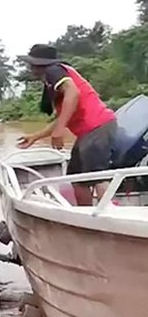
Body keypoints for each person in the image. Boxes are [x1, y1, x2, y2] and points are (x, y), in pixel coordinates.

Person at [17, 44, 117, 205]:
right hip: (88, 131)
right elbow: (63, 116)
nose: (30, 67)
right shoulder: (52, 79)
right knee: (76, 177)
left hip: (97, 125)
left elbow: (73, 92)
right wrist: (36, 136)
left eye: (31, 64)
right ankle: (85, 217)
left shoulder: (54, 71)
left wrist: (60, 129)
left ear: (38, 64)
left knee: (96, 175)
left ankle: (112, 218)